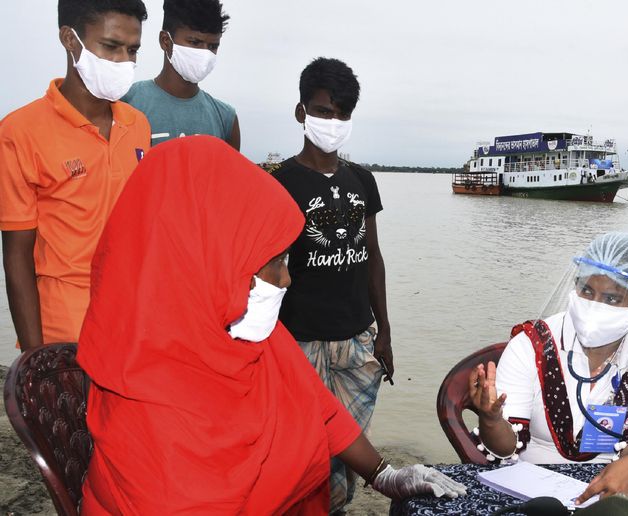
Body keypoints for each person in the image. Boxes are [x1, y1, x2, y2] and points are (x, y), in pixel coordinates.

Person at [76, 136, 465, 514]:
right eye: (275, 260)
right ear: (214, 260)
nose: (286, 278)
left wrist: (386, 475)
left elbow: (321, 409)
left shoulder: (242, 334)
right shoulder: (145, 401)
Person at [469, 232, 628, 502]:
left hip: (617, 485)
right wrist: (491, 420)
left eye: (612, 298)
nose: (594, 305)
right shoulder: (532, 343)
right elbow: (505, 449)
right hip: (532, 490)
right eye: (586, 290)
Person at [271, 57, 392, 514]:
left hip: (357, 340)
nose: (333, 122)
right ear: (301, 113)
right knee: (310, 446)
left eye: (342, 114)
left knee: (347, 444)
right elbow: (268, 271)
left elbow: (372, 259)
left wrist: (385, 332)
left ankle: (333, 506)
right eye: (323, 111)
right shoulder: (280, 184)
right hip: (299, 342)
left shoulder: (363, 180)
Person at [0, 0, 150, 352]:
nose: (124, 61)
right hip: (64, 333)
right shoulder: (21, 132)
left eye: (133, 50)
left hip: (132, 323)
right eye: (111, 47)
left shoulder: (137, 124)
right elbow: (16, 255)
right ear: (70, 39)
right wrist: (37, 361)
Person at [121, 0, 240, 149]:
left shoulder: (226, 119)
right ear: (165, 41)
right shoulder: (126, 103)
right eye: (195, 42)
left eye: (213, 46)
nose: (205, 53)